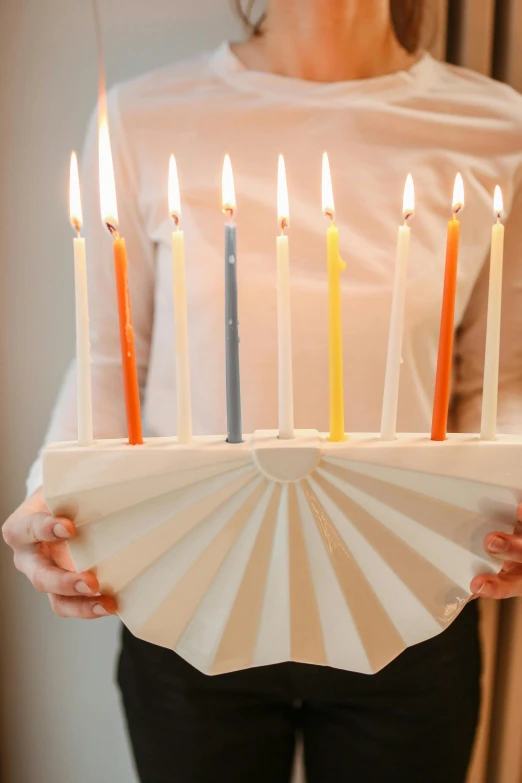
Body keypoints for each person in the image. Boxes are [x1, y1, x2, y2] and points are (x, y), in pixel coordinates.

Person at [3, 1, 522, 781]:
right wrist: (53, 494)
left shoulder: (494, 127)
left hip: (408, 602)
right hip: (185, 598)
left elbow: (498, 381)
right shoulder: (144, 116)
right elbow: (113, 365)